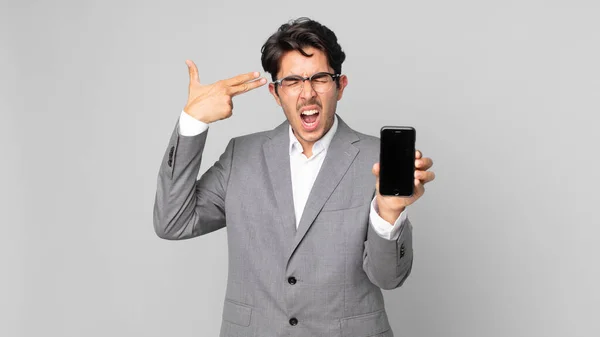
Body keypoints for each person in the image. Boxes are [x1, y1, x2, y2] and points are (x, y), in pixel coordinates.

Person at [153, 17, 435, 337]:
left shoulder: (378, 161)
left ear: (340, 86)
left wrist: (389, 213)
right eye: (292, 81)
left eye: (319, 78)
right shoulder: (240, 157)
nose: (307, 93)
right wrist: (193, 123)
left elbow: (389, 278)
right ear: (275, 93)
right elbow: (172, 221)